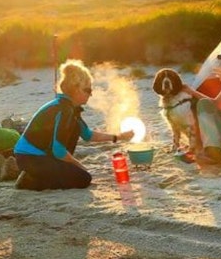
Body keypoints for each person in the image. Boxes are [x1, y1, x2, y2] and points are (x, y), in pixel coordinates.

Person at [12, 59, 134, 191]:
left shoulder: (69, 107)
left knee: (78, 164)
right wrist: (79, 166)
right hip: (31, 158)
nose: (91, 93)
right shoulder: (64, 110)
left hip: (37, 156)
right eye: (87, 89)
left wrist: (119, 137)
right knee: (83, 179)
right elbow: (58, 151)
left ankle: (38, 175)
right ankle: (30, 181)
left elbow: (87, 135)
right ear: (76, 90)